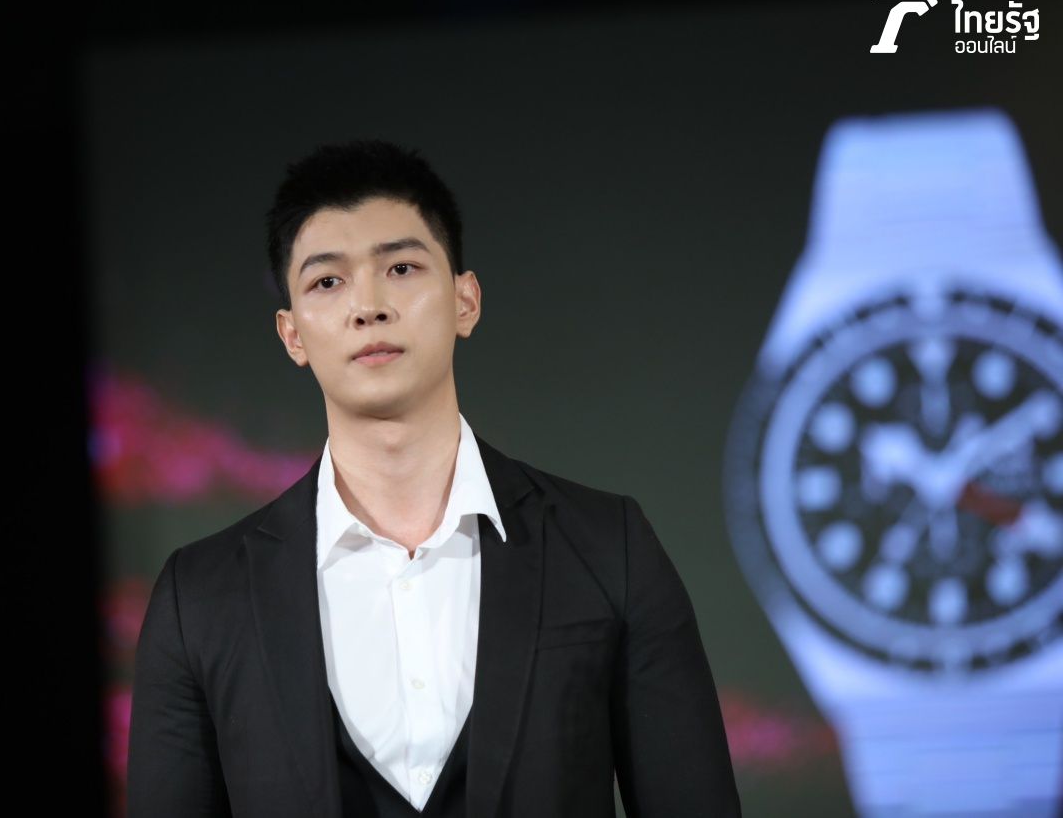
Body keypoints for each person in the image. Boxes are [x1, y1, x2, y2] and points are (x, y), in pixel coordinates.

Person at [126, 139, 741, 817]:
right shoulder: (200, 599)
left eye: (401, 267)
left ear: (465, 300)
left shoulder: (608, 548)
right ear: (292, 334)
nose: (368, 306)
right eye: (327, 282)